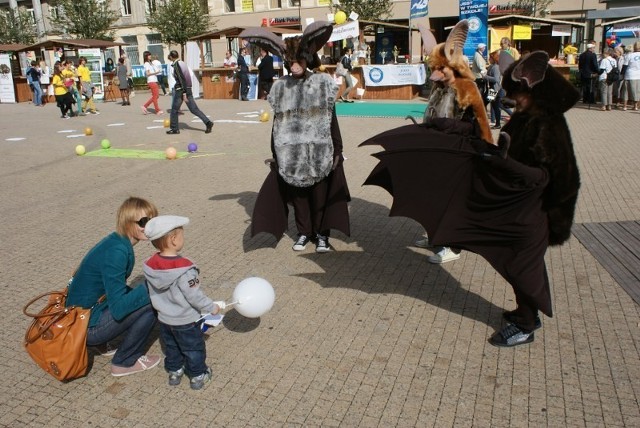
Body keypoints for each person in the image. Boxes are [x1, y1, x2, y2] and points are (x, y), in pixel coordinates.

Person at [242, 22, 351, 252]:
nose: (293, 67)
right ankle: (304, 232)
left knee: (320, 197)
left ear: (307, 59)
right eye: (290, 62)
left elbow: (331, 119)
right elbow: (277, 123)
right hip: (291, 153)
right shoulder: (281, 87)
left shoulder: (321, 84)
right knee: (299, 198)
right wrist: (275, 153)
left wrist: (338, 150)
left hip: (319, 151)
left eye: (297, 61)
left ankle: (321, 235)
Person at [65, 197, 161, 377]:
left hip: (84, 314)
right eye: (143, 222)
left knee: (144, 296)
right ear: (127, 222)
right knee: (154, 300)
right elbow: (118, 309)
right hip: (83, 326)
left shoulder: (116, 241)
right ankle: (124, 361)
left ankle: (100, 344)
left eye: (152, 221)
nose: (149, 227)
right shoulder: (117, 252)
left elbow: (111, 289)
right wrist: (151, 287)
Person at [143, 215, 222, 390]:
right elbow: (194, 295)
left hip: (164, 318)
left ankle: (174, 371)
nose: (183, 239)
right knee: (193, 348)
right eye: (181, 235)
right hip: (185, 319)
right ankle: (197, 375)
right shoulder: (184, 268)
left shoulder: (150, 265)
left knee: (171, 345)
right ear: (173, 240)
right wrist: (211, 307)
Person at [166, 50, 214, 134]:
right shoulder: (182, 63)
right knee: (194, 109)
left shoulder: (176, 65)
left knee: (174, 110)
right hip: (188, 88)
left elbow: (181, 79)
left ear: (171, 57)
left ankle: (174, 129)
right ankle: (208, 122)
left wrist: (184, 93)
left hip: (181, 90)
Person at [485, 50, 512, 129]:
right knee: (493, 105)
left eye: (490, 58)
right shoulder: (492, 66)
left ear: (493, 59)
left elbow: (496, 79)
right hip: (493, 90)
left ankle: (498, 123)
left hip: (496, 90)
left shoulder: (496, 67)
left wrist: (485, 77)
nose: (488, 59)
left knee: (498, 106)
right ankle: (495, 122)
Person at [141, 51, 163, 115]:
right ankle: (157, 110)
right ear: (146, 56)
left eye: (150, 55)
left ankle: (145, 106)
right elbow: (147, 73)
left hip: (154, 80)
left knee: (156, 96)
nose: (150, 56)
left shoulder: (150, 63)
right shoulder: (146, 64)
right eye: (149, 55)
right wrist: (156, 73)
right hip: (151, 81)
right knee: (155, 96)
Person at [621, 41, 640, 111]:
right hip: (638, 75)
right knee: (637, 91)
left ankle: (625, 106)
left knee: (626, 91)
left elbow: (625, 66)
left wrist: (622, 74)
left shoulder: (630, 55)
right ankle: (635, 106)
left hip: (629, 75)